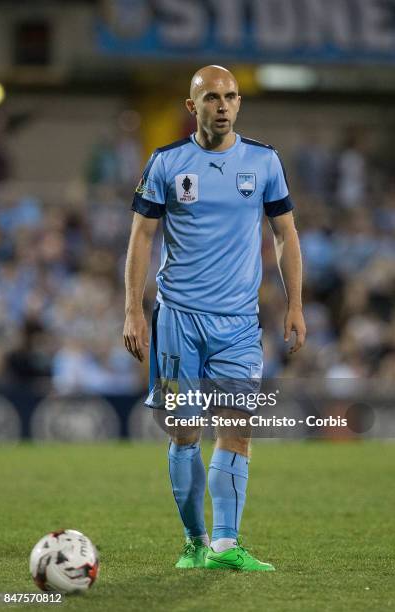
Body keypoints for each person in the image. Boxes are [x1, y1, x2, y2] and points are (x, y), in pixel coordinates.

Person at [123, 65, 306, 571]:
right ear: (192, 107)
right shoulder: (166, 162)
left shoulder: (265, 161)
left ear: (239, 103)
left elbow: (285, 233)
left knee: (236, 429)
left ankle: (225, 547)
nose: (222, 106)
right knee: (184, 432)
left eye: (230, 97)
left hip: (239, 324)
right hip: (178, 321)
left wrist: (294, 303)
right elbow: (141, 237)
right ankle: (194, 541)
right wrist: (134, 311)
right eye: (211, 98)